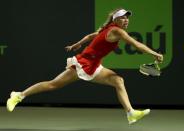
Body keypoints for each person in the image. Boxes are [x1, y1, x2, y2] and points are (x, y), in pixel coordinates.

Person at [7, 8, 163, 124]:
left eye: (127, 18)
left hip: (95, 65)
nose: (126, 20)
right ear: (115, 20)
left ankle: (130, 113)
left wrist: (77, 44)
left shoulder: (106, 29)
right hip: (84, 64)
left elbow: (90, 36)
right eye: (123, 18)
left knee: (118, 81)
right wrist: (154, 54)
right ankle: (19, 96)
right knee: (52, 85)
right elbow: (136, 44)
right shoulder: (117, 31)